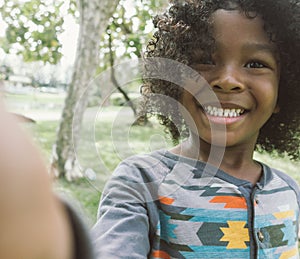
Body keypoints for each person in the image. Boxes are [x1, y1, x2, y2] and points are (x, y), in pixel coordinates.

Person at [92, 0, 300, 258]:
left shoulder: (288, 190)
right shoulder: (141, 182)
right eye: (204, 60)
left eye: (255, 64)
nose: (227, 81)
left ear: (285, 91)